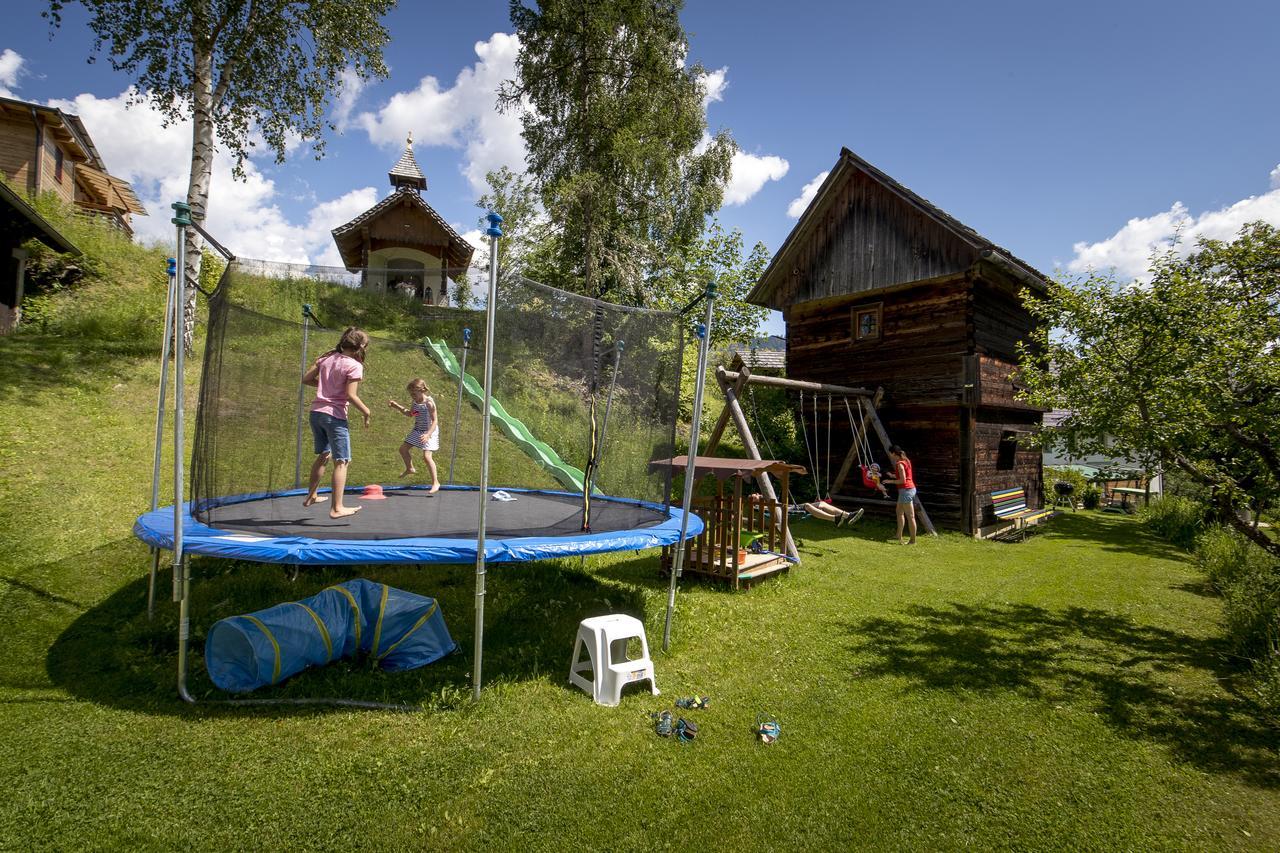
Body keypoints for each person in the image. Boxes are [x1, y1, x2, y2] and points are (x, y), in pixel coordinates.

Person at [301, 327, 372, 518]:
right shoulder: (354, 365)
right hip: (334, 416)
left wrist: (327, 385)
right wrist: (366, 411)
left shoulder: (327, 358)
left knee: (324, 455)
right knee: (342, 461)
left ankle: (311, 496)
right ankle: (337, 508)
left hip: (316, 413)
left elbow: (306, 379)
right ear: (360, 347)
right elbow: (350, 395)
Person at [388, 378, 440, 492]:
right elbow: (411, 414)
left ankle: (435, 482)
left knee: (427, 457)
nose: (412, 396)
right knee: (403, 449)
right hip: (418, 430)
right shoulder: (416, 402)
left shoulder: (429, 403)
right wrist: (397, 406)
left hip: (430, 431)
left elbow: (435, 420)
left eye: (414, 394)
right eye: (411, 394)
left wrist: (428, 434)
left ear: (422, 390)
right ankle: (410, 468)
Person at [880, 444, 917, 544]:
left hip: (906, 490)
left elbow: (903, 480)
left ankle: (913, 540)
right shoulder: (906, 461)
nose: (890, 455)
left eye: (890, 453)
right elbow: (903, 475)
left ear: (893, 453)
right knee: (899, 512)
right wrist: (891, 475)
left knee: (910, 516)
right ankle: (898, 535)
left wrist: (889, 481)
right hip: (908, 489)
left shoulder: (899, 464)